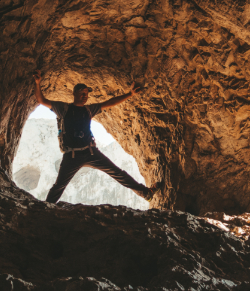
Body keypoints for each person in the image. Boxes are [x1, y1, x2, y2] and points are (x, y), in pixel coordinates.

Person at [32, 70, 159, 204]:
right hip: (72, 155)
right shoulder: (63, 108)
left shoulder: (89, 110)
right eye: (82, 93)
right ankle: (45, 207)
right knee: (59, 185)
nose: (84, 96)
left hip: (90, 152)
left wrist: (130, 94)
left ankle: (146, 194)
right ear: (74, 93)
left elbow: (110, 102)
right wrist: (37, 83)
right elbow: (41, 100)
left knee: (118, 173)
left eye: (86, 94)